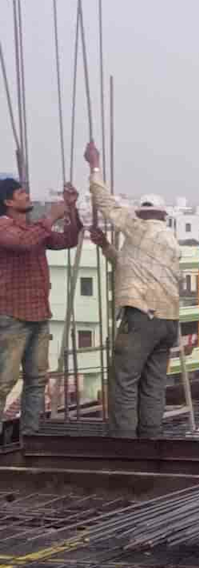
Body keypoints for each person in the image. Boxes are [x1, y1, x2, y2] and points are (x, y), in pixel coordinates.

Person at [83, 141, 184, 438]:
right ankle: (151, 437)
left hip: (142, 315)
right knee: (153, 383)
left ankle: (124, 443)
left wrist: (94, 167)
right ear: (163, 216)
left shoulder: (139, 229)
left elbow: (106, 203)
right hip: (168, 320)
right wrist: (105, 247)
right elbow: (128, 267)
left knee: (124, 380)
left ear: (141, 215)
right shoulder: (169, 241)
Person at [0, 172, 81, 432]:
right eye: (20, 193)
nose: (27, 195)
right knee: (4, 381)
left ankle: (30, 434)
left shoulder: (32, 230)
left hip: (37, 314)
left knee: (36, 380)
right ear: (8, 203)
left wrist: (71, 209)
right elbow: (22, 243)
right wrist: (52, 217)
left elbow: (68, 240)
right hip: (12, 315)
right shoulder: (4, 227)